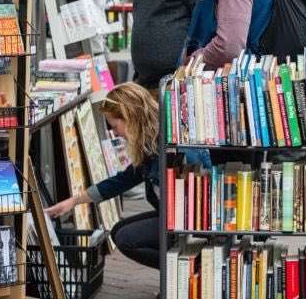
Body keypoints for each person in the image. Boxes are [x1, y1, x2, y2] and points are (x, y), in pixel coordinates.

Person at [43, 83, 209, 269]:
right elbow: (122, 180)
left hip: (190, 219)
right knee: (118, 231)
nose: (115, 133)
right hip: (174, 214)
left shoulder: (170, 146)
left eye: (115, 126)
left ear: (130, 117)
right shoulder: (151, 145)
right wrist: (74, 201)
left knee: (126, 238)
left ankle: (188, 271)